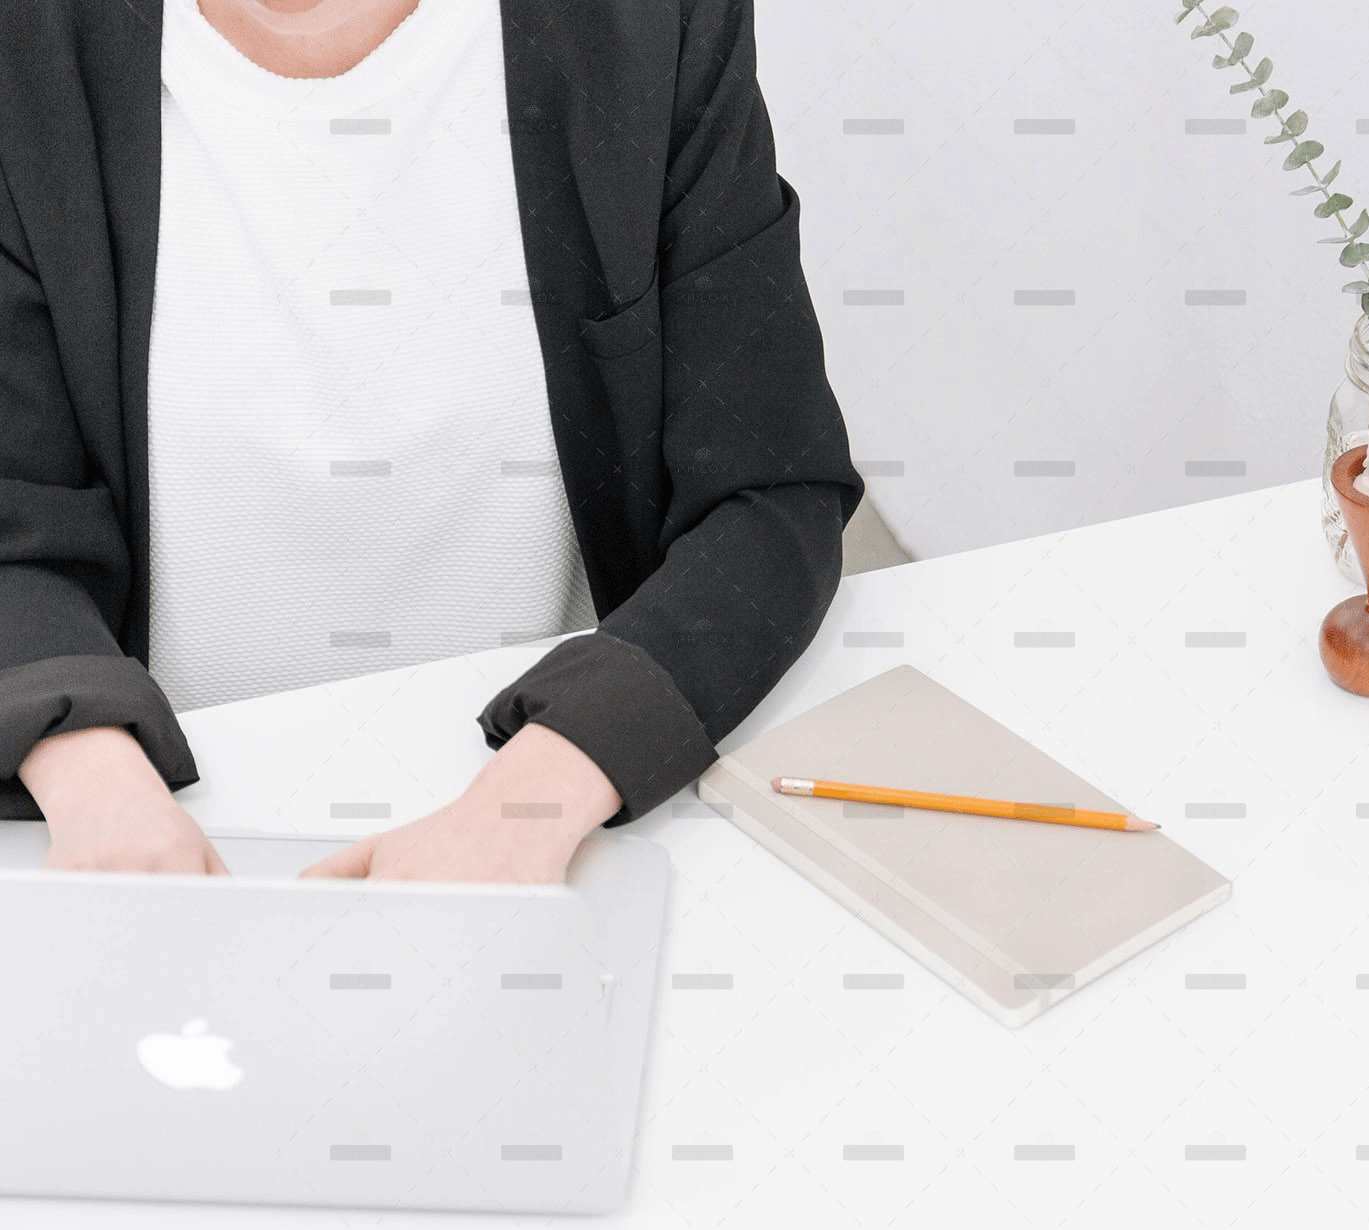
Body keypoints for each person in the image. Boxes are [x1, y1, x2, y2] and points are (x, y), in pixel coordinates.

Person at [0, 0, 861, 883]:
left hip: (552, 806)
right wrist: (91, 775)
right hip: (148, 816)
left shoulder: (644, 27)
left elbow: (769, 487)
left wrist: (545, 789)